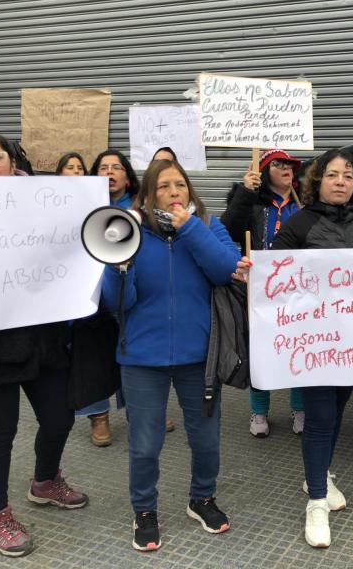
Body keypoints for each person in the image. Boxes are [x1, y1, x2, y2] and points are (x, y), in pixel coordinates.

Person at [0, 131, 87, 557]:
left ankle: (45, 481)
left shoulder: (45, 202)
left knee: (61, 417)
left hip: (41, 339)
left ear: (12, 163)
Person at [259, 149, 353, 548]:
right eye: (333, 175)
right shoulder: (299, 223)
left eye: (349, 176)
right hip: (316, 342)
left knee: (337, 410)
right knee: (320, 416)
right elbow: (274, 277)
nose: (341, 182)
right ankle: (317, 502)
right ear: (317, 180)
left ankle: (316, 476)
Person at [101, 159, 240, 552]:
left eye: (180, 184)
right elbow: (117, 303)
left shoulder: (209, 227)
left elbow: (225, 269)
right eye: (163, 186)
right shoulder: (130, 234)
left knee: (207, 439)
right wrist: (118, 266)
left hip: (200, 356)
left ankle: (202, 498)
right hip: (143, 358)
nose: (174, 191)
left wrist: (190, 229)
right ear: (147, 194)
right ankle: (144, 510)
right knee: (145, 444)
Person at [221, 148, 305, 437]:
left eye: (290, 165)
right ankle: (258, 411)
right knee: (260, 351)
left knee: (299, 347)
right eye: (278, 164)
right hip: (259, 290)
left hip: (298, 290)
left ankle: (300, 407)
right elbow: (228, 230)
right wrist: (245, 192)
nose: (286, 169)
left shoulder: (303, 204)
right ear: (264, 170)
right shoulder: (253, 204)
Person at [80, 149, 143, 445]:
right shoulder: (79, 206)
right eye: (103, 167)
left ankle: (139, 409)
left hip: (127, 290)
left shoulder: (143, 208)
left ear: (127, 178)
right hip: (88, 294)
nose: (109, 171)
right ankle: (98, 417)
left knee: (133, 353)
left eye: (116, 167)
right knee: (92, 355)